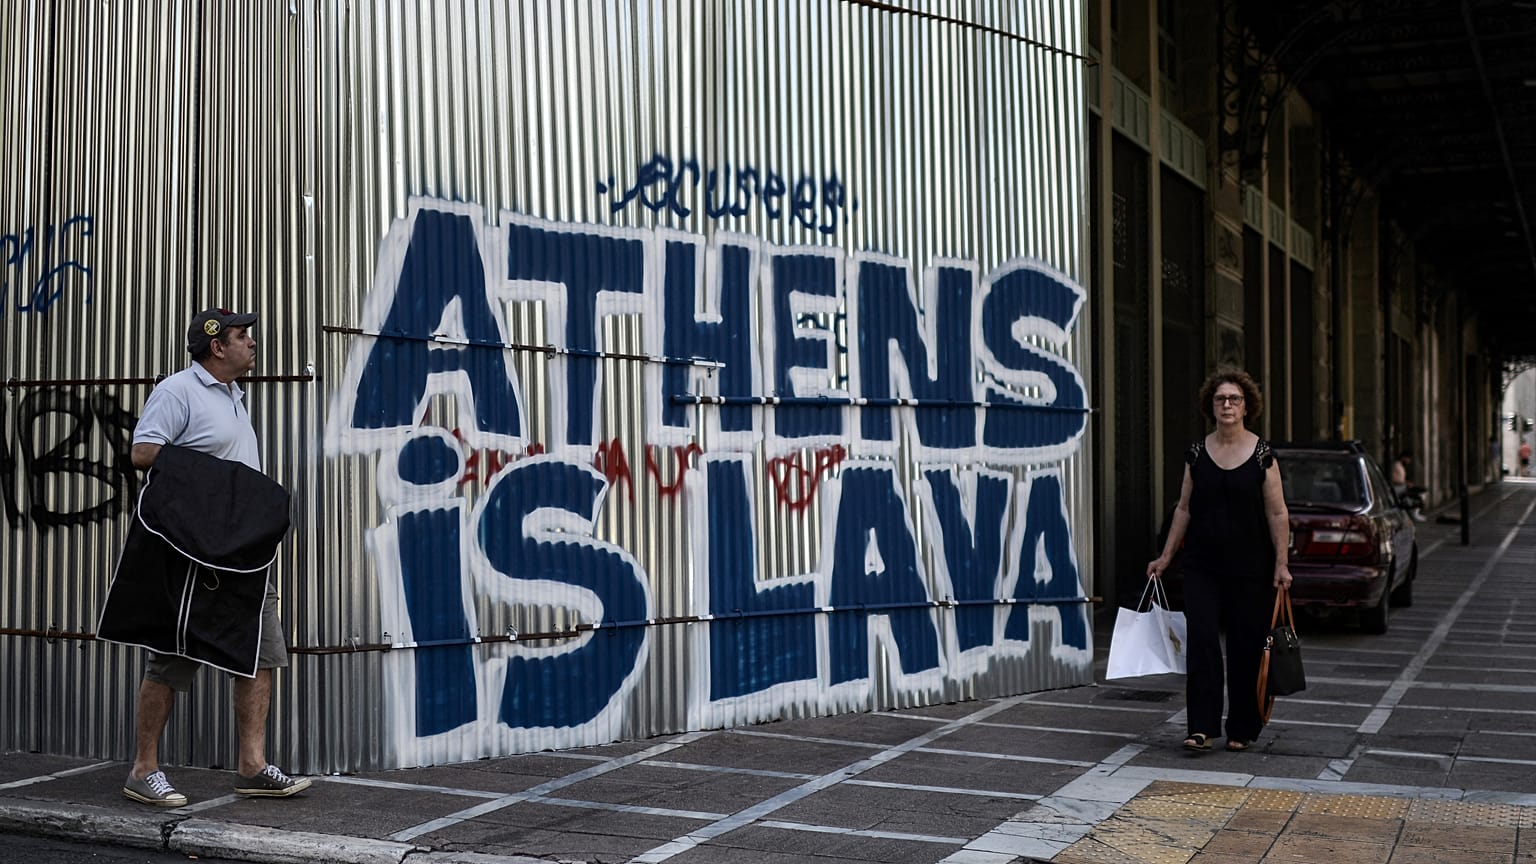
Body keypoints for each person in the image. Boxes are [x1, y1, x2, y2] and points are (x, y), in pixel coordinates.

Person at [119, 308, 310, 806]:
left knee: (259, 654)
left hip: (244, 551)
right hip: (195, 551)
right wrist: (219, 481)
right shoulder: (178, 391)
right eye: (242, 336)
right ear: (217, 347)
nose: (252, 342)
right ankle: (143, 769)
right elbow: (143, 452)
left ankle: (252, 766)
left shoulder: (232, 395)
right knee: (172, 656)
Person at [1146, 369, 1292, 754]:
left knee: (1246, 645)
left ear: (1246, 407)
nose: (1227, 405)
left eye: (1234, 399)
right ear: (1211, 406)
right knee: (1202, 642)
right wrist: (1165, 557)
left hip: (1252, 567)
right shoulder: (1197, 453)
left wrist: (1281, 563)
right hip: (1202, 565)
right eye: (1220, 399)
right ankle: (1201, 727)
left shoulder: (1262, 455)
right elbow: (1184, 508)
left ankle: (1242, 727)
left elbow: (1278, 512)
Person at [1391, 450, 1427, 522]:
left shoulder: (1401, 466)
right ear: (1404, 457)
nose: (1409, 461)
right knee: (1419, 494)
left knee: (1422, 491)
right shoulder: (1396, 465)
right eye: (1408, 459)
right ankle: (1414, 514)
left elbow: (1401, 478)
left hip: (1403, 486)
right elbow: (1394, 479)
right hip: (1397, 488)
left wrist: (1407, 483)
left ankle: (1415, 513)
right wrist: (1405, 483)